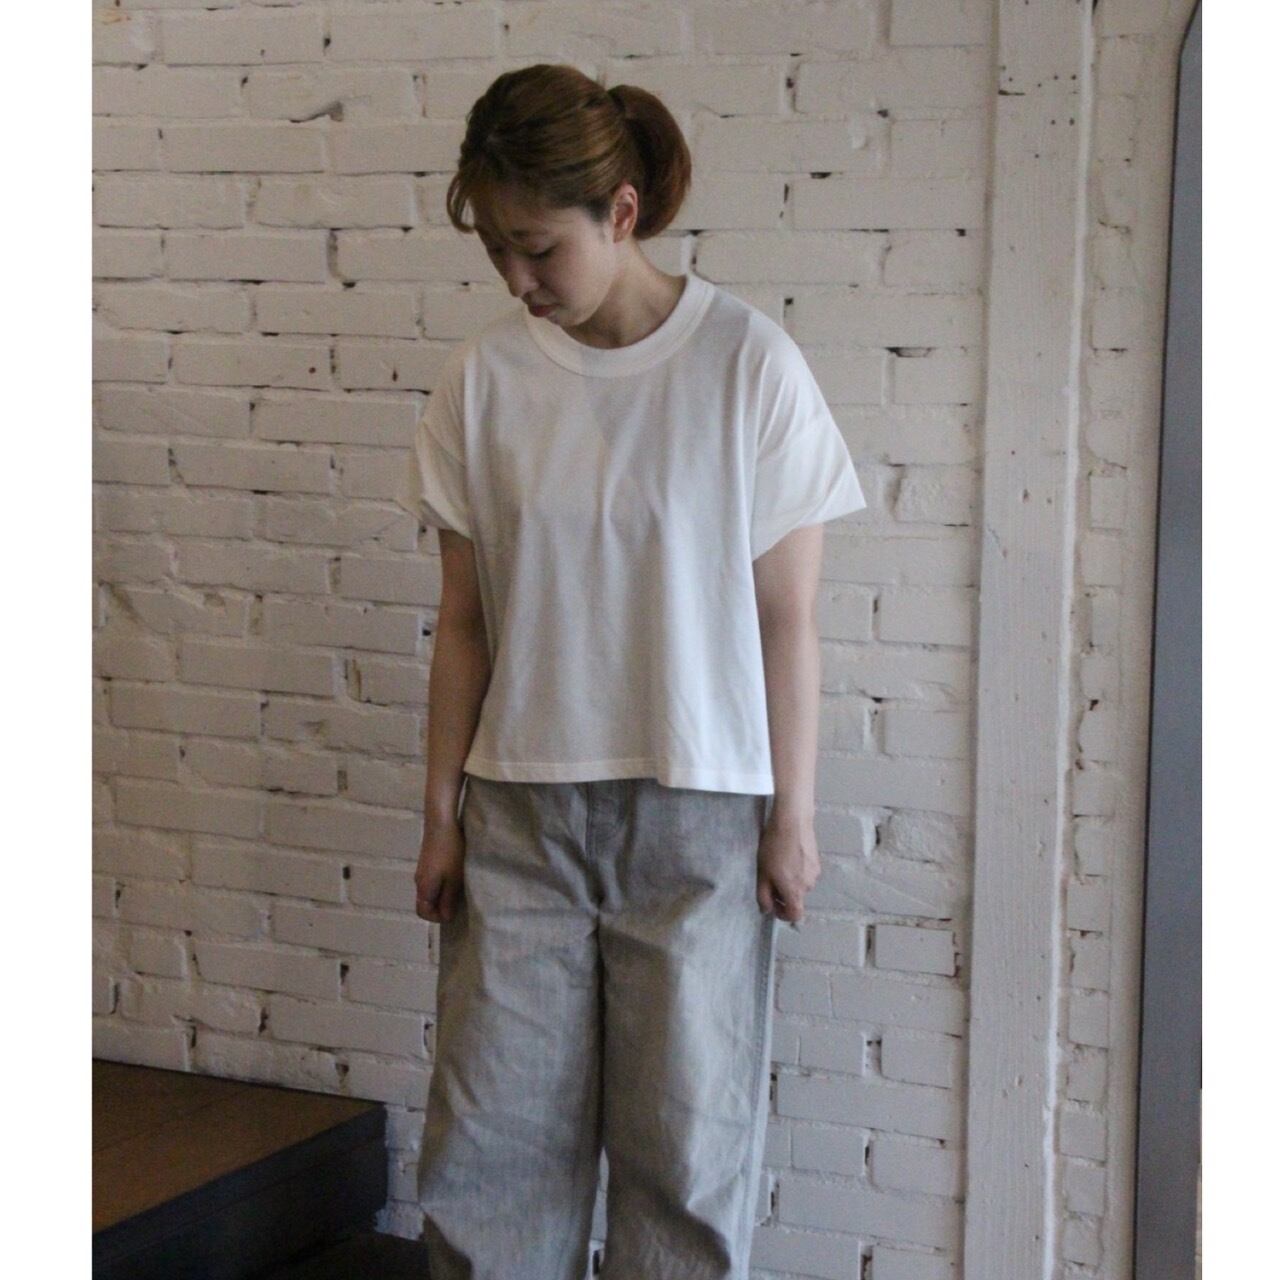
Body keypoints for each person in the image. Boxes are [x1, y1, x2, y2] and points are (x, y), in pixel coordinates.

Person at [394, 63, 867, 1280]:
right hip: (518, 821)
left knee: (684, 1168)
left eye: (536, 247)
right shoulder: (483, 382)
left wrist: (792, 819)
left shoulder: (748, 367)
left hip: (698, 819)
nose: (516, 280)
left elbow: (786, 619)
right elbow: (464, 623)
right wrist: (439, 814)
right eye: (495, 250)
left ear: (618, 211)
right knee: (491, 1161)